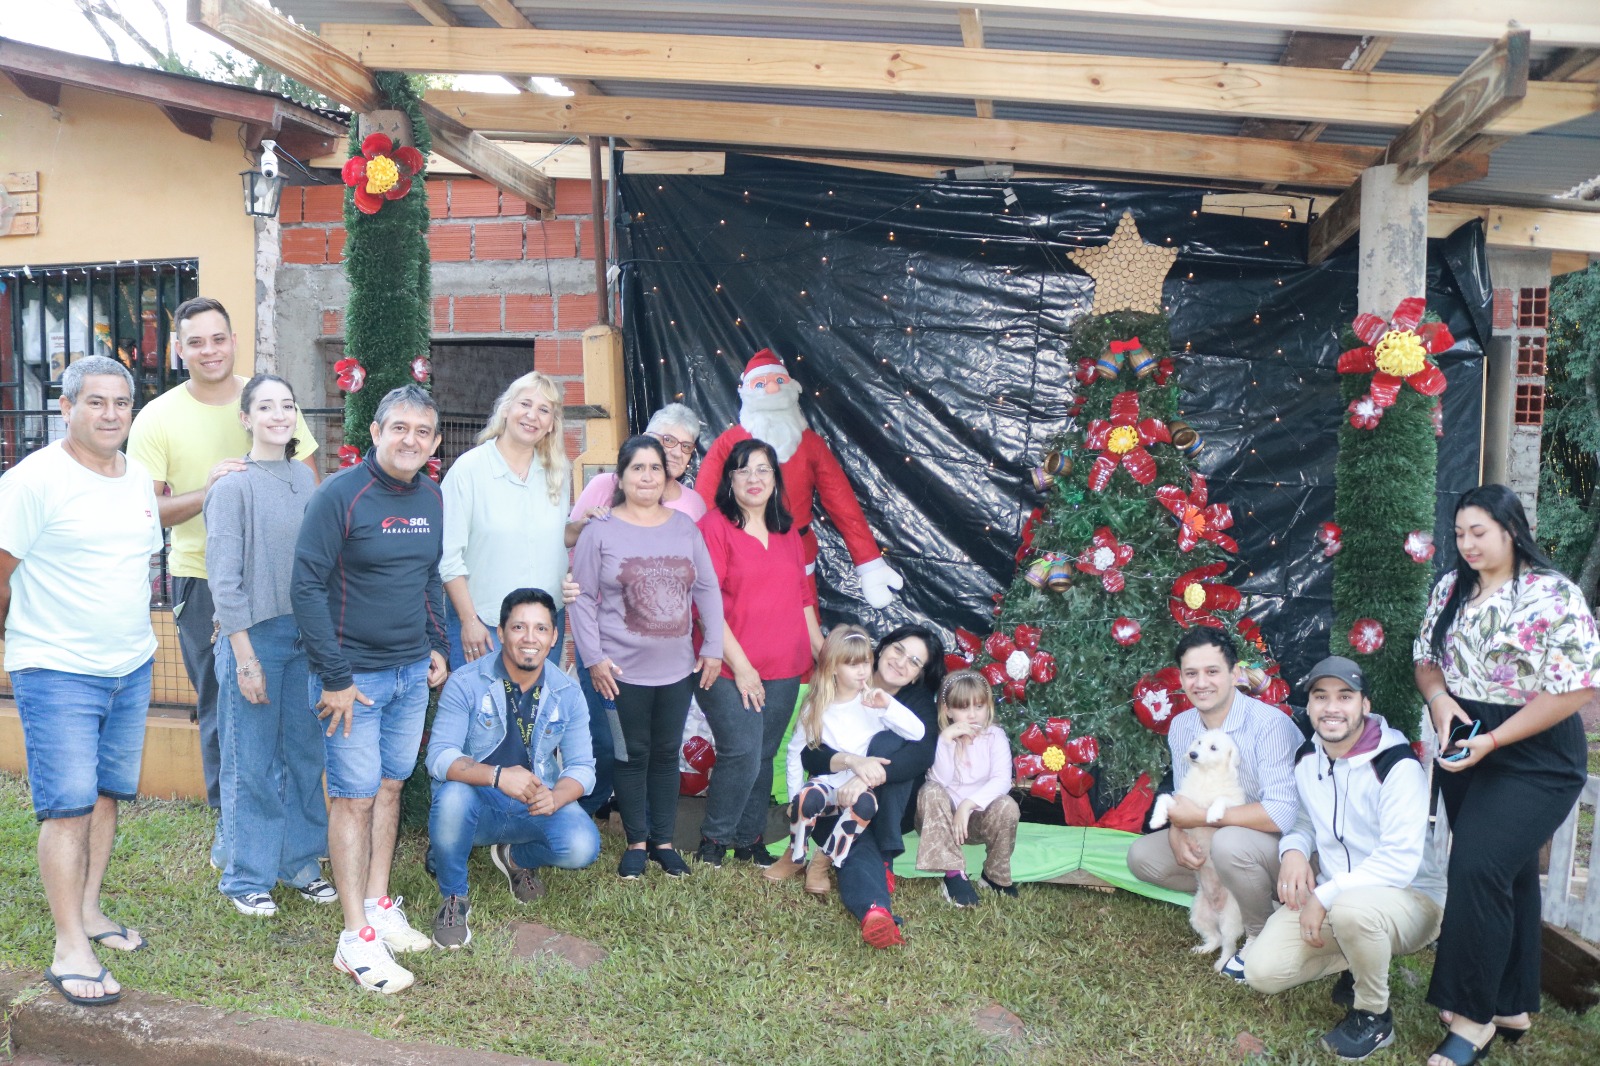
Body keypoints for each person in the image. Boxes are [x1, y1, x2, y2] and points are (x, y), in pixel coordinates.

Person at [128, 297, 317, 864]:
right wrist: (208, 491)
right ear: (179, 349)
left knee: (287, 713)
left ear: (234, 341)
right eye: (196, 341)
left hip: (282, 590)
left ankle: (283, 832)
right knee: (222, 706)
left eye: (218, 338)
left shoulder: (269, 398)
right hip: (203, 579)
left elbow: (306, 483)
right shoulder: (157, 417)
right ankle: (230, 832)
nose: (209, 350)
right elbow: (146, 511)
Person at [1414, 485, 1598, 1066]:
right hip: (1466, 738)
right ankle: (1513, 1003)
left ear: (1511, 530)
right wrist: (1439, 699)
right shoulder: (1450, 587)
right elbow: (1425, 658)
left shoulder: (1554, 595)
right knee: (1510, 874)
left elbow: (1578, 689)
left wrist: (1495, 738)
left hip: (1536, 751)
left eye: (1479, 532)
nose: (1467, 544)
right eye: (1460, 532)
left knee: (1475, 866)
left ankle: (1473, 1019)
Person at [0, 356, 163, 1005]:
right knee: (66, 808)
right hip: (57, 669)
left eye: (121, 402)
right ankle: (69, 948)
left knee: (104, 796)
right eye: (95, 402)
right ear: (66, 408)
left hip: (131, 665)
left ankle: (91, 912)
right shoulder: (32, 481)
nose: (110, 414)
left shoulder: (138, 477)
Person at [292, 384, 449, 994]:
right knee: (353, 798)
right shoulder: (339, 495)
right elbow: (305, 587)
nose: (410, 439)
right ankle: (353, 937)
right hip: (353, 681)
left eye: (422, 432)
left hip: (412, 674)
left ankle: (379, 902)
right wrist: (334, 678)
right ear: (377, 430)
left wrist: (435, 644)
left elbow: (428, 575)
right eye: (399, 428)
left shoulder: (432, 497)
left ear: (434, 444)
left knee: (389, 786)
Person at [1243, 656, 1444, 1062]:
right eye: (1321, 697)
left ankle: (1373, 1016)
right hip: (1343, 899)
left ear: (1364, 705)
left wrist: (1324, 895)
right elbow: (1301, 819)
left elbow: (1400, 862)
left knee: (1353, 910)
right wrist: (1295, 851)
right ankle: (1360, 955)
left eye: (1345, 696)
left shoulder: (1396, 764)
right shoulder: (1308, 758)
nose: (1332, 707)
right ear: (1311, 705)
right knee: (1262, 972)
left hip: (1412, 899)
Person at [204, 374, 334, 917]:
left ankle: (300, 863)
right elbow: (224, 579)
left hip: (307, 638)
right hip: (253, 637)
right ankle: (246, 875)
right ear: (246, 417)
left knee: (305, 757)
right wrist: (246, 658)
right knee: (250, 762)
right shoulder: (232, 485)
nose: (278, 414)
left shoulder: (307, 482)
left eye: (287, 405)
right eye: (265, 406)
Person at [569, 434, 724, 880]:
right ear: (620, 477)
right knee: (628, 752)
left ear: (667, 474)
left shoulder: (684, 528)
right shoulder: (599, 531)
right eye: (637, 468)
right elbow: (581, 599)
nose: (647, 476)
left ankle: (664, 842)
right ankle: (636, 842)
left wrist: (712, 646)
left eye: (655, 468)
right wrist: (594, 658)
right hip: (619, 672)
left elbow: (708, 588)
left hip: (676, 670)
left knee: (666, 752)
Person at [425, 588, 600, 950]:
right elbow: (440, 756)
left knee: (582, 846)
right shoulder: (466, 681)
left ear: (554, 637)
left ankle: (515, 857)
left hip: (532, 802)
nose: (529, 638)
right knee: (453, 797)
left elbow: (583, 767)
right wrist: (498, 776)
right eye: (518, 627)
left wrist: (556, 797)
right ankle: (454, 897)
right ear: (500, 632)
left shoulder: (567, 691)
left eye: (540, 629)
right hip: (478, 800)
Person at [1127, 627, 1302, 980]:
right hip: (1222, 834)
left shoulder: (1269, 725)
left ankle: (1257, 933)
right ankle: (1248, 900)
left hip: (1288, 844)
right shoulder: (1181, 726)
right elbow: (1186, 791)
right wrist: (1177, 829)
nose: (1201, 682)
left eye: (1212, 671)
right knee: (1142, 857)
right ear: (1180, 678)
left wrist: (1207, 816)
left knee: (1229, 842)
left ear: (1235, 674)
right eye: (1191, 673)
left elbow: (1283, 812)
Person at [693, 438, 823, 867]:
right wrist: (743, 667)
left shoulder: (788, 532)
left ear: (775, 479)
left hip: (786, 665)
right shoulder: (714, 527)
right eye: (744, 470)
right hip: (727, 666)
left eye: (763, 469)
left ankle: (749, 839)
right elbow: (705, 602)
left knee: (764, 752)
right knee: (742, 749)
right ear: (730, 480)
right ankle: (714, 839)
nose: (754, 478)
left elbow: (804, 596)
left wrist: (820, 650)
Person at [697, 349, 902, 607]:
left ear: (791, 388)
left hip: (797, 552)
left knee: (803, 627)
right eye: (761, 384)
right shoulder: (728, 442)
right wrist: (709, 552)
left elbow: (842, 503)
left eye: (778, 381)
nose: (771, 389)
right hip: (742, 552)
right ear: (748, 391)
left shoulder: (811, 444)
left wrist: (869, 562)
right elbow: (704, 501)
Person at [784, 625, 947, 928]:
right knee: (857, 845)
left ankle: (881, 858)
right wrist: (851, 762)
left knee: (885, 744)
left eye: (914, 661)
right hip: (838, 799)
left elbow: (921, 753)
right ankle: (875, 912)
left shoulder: (914, 702)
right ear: (881, 649)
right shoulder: (839, 688)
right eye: (899, 650)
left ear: (918, 674)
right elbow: (808, 753)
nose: (901, 662)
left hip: (886, 807)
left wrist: (867, 777)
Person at [440, 372, 569, 670]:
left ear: (551, 424)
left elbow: (554, 539)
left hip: (543, 629)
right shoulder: (469, 470)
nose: (532, 416)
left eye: (544, 410)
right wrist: (468, 621)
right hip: (485, 629)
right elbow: (448, 557)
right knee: (484, 717)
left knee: (535, 716)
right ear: (506, 409)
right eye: (525, 404)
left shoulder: (557, 472)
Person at [914, 669, 1021, 907]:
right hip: (939, 823)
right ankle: (953, 875)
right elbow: (939, 780)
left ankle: (995, 877)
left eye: (979, 706)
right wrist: (946, 742)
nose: (972, 715)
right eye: (963, 708)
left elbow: (1002, 780)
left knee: (1007, 806)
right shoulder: (940, 738)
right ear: (948, 711)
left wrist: (967, 804)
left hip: (975, 820)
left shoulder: (995, 736)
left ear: (988, 707)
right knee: (930, 790)